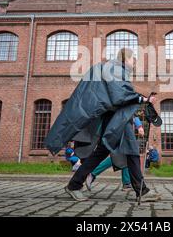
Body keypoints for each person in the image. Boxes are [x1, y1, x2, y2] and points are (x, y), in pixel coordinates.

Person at [45, 48, 161, 202]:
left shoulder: (114, 69)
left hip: (113, 117)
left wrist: (140, 99)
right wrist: (144, 100)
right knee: (130, 149)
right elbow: (120, 96)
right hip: (115, 117)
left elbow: (118, 93)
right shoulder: (116, 69)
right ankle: (141, 190)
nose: (134, 63)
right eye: (134, 60)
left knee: (103, 151)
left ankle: (74, 184)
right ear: (127, 58)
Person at [86, 116, 145, 191]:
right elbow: (131, 114)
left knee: (125, 157)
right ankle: (93, 173)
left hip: (121, 132)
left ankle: (126, 183)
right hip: (118, 132)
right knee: (116, 158)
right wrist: (139, 126)